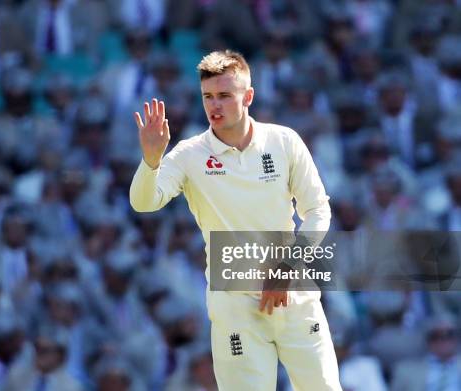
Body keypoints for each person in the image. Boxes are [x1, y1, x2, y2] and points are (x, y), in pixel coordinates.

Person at [129, 50, 341, 390]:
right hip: (235, 304)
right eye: (208, 97)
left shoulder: (284, 141)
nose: (215, 106)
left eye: (225, 96)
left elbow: (318, 210)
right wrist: (151, 162)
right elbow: (143, 202)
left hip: (293, 293)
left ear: (248, 96)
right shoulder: (188, 154)